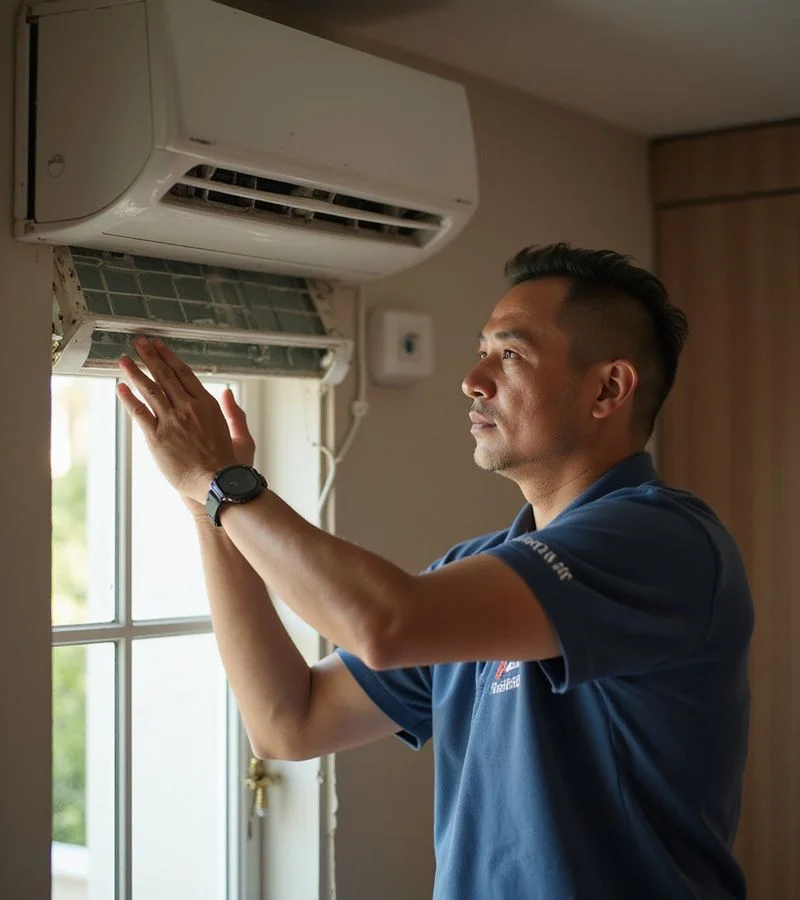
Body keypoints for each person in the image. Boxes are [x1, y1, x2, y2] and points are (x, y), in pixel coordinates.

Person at [118, 243, 753, 900]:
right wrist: (208, 509)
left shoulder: (663, 541)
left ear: (607, 389)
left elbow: (384, 625)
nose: (473, 379)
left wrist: (226, 486)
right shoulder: (473, 573)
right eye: (482, 351)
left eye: (510, 354)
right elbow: (288, 720)